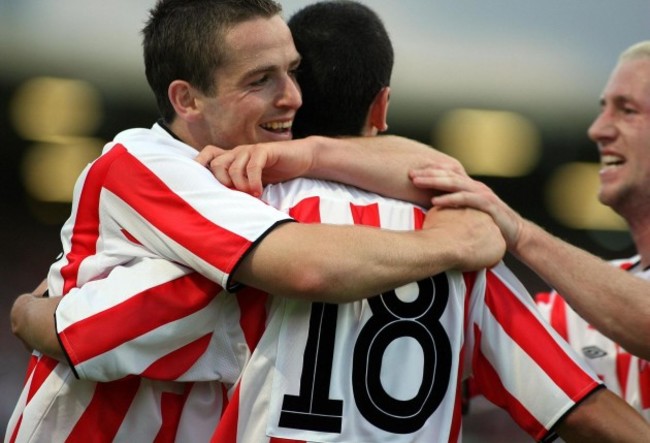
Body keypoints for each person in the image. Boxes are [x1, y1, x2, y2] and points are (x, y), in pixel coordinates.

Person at [9, 2, 649, 442]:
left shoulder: (261, 217)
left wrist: (47, 317)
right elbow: (582, 410)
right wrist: (456, 238)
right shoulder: (453, 243)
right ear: (383, 105)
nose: (285, 95)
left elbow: (108, 325)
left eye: (290, 74)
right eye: (262, 79)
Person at [409, 40, 650, 419]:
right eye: (604, 109)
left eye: (628, 110)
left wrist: (520, 233)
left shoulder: (600, 304)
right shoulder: (570, 312)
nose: (598, 130)